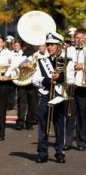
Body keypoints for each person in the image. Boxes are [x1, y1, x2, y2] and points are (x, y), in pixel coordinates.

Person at [33, 32, 70, 163]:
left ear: (58, 46)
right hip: (46, 95)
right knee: (44, 125)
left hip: (60, 95)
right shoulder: (41, 61)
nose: (49, 47)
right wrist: (48, 80)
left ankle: (60, 152)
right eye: (48, 44)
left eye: (52, 44)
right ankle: (42, 153)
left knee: (59, 125)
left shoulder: (67, 60)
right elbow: (35, 79)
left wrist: (59, 77)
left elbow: (70, 77)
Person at [65, 28, 86, 151]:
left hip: (84, 87)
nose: (78, 40)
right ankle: (67, 141)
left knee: (83, 115)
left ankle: (82, 141)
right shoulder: (69, 50)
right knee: (70, 114)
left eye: (81, 38)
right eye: (76, 38)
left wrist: (83, 66)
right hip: (71, 85)